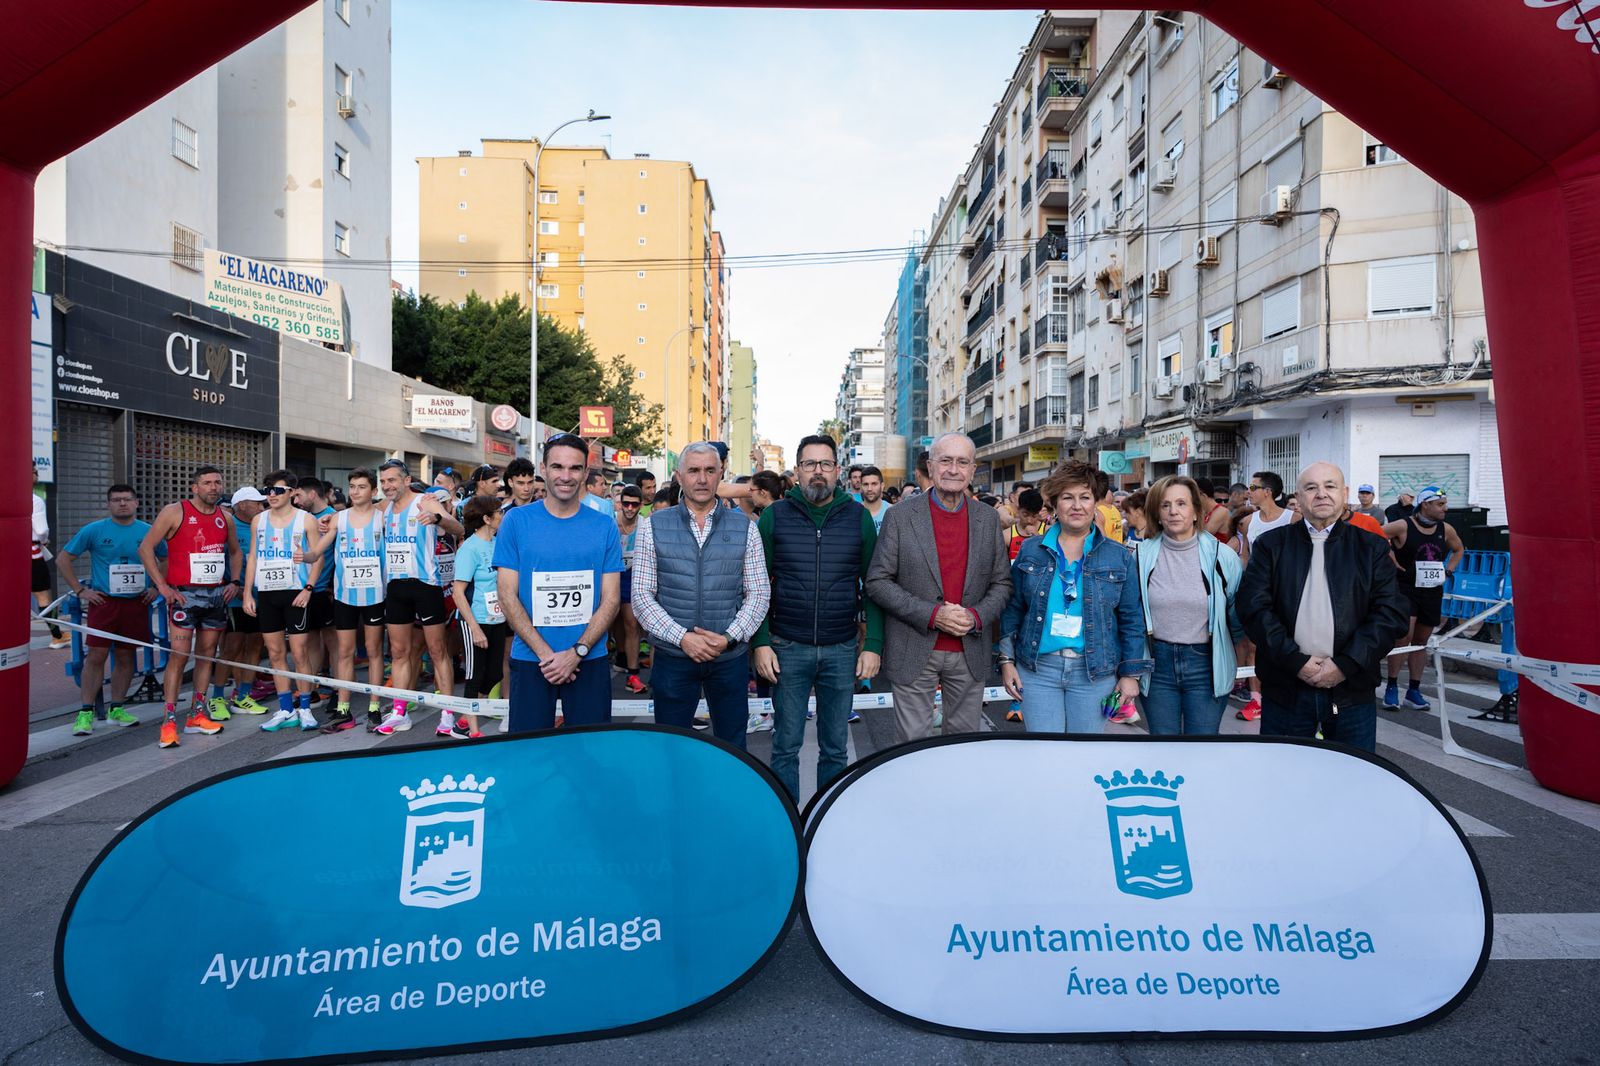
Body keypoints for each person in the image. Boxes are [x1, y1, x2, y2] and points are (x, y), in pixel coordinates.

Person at [1236, 462, 1411, 752]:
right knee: (1285, 774)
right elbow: (1253, 609)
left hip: (1351, 692)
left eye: (1330, 486)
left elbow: (1390, 614)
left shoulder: (1371, 547)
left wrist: (1345, 664)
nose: (1321, 494)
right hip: (1286, 689)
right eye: (1311, 487)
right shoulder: (1271, 545)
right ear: (1298, 497)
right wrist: (1295, 661)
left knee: (1350, 775)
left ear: (1344, 493)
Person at [752, 435, 883, 801]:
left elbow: (874, 585)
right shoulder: (774, 516)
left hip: (841, 648)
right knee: (785, 746)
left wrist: (872, 644)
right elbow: (756, 585)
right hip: (786, 647)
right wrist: (761, 642)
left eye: (825, 464)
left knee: (836, 748)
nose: (818, 472)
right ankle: (789, 822)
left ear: (838, 470)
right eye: (810, 464)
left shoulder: (858, 517)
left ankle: (827, 819)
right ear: (797, 471)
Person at [866, 432, 1011, 743]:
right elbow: (878, 581)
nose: (953, 469)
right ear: (930, 467)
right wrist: (933, 615)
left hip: (970, 647)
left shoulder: (988, 519)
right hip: (914, 645)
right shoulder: (900, 517)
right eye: (945, 461)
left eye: (962, 462)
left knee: (963, 746)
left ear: (973, 470)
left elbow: (1002, 583)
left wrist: (975, 617)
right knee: (912, 747)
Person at [632, 442, 771, 746]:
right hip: (673, 657)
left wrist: (729, 638)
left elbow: (759, 593)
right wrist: (683, 638)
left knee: (732, 748)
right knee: (672, 748)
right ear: (679, 476)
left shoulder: (746, 528)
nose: (702, 479)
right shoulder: (653, 526)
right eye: (694, 470)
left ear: (720, 474)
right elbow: (642, 596)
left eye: (710, 470)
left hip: (729, 658)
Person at [997, 460, 1149, 732]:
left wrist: (1130, 675)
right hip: (1038, 670)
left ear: (1096, 503)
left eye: (1085, 497)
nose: (1077, 506)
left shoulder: (1119, 557)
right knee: (1044, 751)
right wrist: (1006, 661)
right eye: (1068, 497)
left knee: (1085, 752)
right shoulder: (1031, 550)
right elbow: (1014, 609)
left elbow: (1131, 620)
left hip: (1094, 672)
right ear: (1055, 504)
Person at [495, 434, 623, 732]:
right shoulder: (515, 521)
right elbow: (507, 595)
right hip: (532, 658)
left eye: (575, 468)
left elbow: (611, 599)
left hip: (588, 658)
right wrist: (547, 655)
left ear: (585, 473)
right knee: (530, 751)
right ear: (544, 469)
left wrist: (577, 652)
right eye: (557, 467)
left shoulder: (604, 525)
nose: (566, 476)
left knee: (590, 750)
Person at [140, 465, 242, 748]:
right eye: (207, 483)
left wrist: (234, 581)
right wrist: (162, 586)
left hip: (215, 596)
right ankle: (169, 721)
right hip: (184, 596)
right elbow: (146, 548)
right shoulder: (175, 511)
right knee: (179, 656)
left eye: (217, 482)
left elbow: (236, 552)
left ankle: (197, 715)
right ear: (195, 487)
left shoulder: (226, 517)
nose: (213, 487)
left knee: (207, 656)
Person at [1136, 476, 1244, 735]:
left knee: (1202, 747)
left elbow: (1236, 615)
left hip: (1206, 665)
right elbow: (1132, 615)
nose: (1173, 511)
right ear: (1157, 514)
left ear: (1196, 511)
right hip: (1156, 664)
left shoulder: (1223, 557)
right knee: (1163, 746)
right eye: (1165, 505)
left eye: (1181, 503)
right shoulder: (1140, 556)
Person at [56, 484, 163, 734]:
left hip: (136, 602)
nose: (122, 504)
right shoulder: (94, 530)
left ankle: (117, 708)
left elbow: (166, 559)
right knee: (96, 656)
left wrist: (157, 587)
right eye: (116, 500)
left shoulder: (148, 531)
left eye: (127, 499)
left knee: (126, 656)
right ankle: (85, 713)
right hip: (104, 602)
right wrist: (80, 590)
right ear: (108, 504)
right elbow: (63, 559)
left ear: (136, 503)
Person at [373, 459, 464, 735]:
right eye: (383, 481)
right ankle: (399, 712)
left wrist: (438, 519)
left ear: (406, 480)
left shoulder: (425, 501)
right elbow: (357, 513)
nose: (387, 486)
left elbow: (458, 529)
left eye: (392, 480)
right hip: (396, 588)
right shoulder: (385, 507)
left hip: (426, 585)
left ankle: (447, 713)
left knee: (437, 651)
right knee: (399, 652)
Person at [301, 468, 387, 732]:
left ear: (373, 491)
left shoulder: (382, 517)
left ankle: (374, 707)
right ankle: (343, 709)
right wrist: (306, 556)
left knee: (373, 651)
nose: (355, 491)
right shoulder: (339, 518)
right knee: (345, 652)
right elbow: (319, 549)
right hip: (345, 595)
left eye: (362, 487)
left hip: (375, 595)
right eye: (352, 486)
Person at [244, 470, 323, 733]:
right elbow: (253, 557)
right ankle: (286, 709)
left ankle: (305, 708)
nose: (272, 495)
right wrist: (247, 593)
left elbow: (318, 556)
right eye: (268, 491)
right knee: (276, 654)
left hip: (295, 593)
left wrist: (308, 588)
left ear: (291, 492)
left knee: (299, 653)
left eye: (277, 490)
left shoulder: (306, 520)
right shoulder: (259, 520)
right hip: (268, 594)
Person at [1381, 486, 1465, 710]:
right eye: (1440, 504)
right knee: (1403, 637)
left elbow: (1459, 549)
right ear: (1425, 505)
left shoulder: (1446, 529)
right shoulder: (1403, 525)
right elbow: (1374, 535)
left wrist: (1449, 570)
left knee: (1421, 641)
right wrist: (1390, 557)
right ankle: (1391, 687)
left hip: (1431, 590)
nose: (1445, 508)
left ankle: (1413, 691)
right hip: (1405, 588)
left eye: (1445, 504)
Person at [1234, 470, 1298, 722]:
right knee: (1254, 645)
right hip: (1258, 594)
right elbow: (1245, 558)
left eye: (1253, 487)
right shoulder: (1248, 522)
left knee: (1290, 646)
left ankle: (1291, 697)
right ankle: (1256, 700)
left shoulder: (1293, 519)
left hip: (1288, 595)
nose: (1248, 492)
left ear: (1268, 492)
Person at [449, 495, 507, 739]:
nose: (502, 516)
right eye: (499, 512)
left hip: (497, 618)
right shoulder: (469, 549)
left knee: (494, 674)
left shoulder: (498, 543)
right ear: (486, 519)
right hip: (475, 619)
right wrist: (474, 628)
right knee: (474, 676)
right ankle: (472, 730)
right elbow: (458, 592)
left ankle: (464, 720)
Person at [218, 487, 269, 716]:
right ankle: (217, 697)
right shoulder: (228, 527)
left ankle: (244, 696)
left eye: (261, 502)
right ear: (240, 505)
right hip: (237, 598)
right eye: (255, 503)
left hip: (262, 595)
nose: (261, 506)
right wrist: (233, 584)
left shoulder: (265, 524)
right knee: (232, 647)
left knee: (256, 645)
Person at [612, 483, 648, 694]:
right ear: (620, 503)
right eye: (626, 504)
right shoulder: (610, 523)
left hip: (633, 575)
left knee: (631, 623)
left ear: (640, 505)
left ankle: (632, 674)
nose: (630, 508)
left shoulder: (645, 525)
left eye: (634, 504)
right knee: (611, 622)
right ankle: (620, 655)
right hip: (610, 574)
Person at [32, 468, 69, 648]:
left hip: (8, 554)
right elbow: (41, 530)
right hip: (32, 554)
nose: (37, 475)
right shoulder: (34, 500)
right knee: (43, 597)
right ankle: (57, 636)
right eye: (34, 471)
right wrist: (44, 540)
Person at [1005, 488, 1048, 560]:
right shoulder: (1007, 535)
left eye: (1034, 516)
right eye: (1025, 515)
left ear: (1039, 512)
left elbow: (1052, 561)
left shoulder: (1048, 531)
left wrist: (1038, 538)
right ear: (1018, 509)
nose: (1029, 520)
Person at [1093, 476, 1126, 543]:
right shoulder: (1114, 509)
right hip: (1117, 548)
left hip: (1107, 549)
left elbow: (1101, 541)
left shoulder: (1097, 512)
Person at [859, 465, 892, 531]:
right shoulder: (854, 512)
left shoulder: (892, 511)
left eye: (874, 484)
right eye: (866, 484)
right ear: (861, 487)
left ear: (882, 486)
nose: (869, 489)